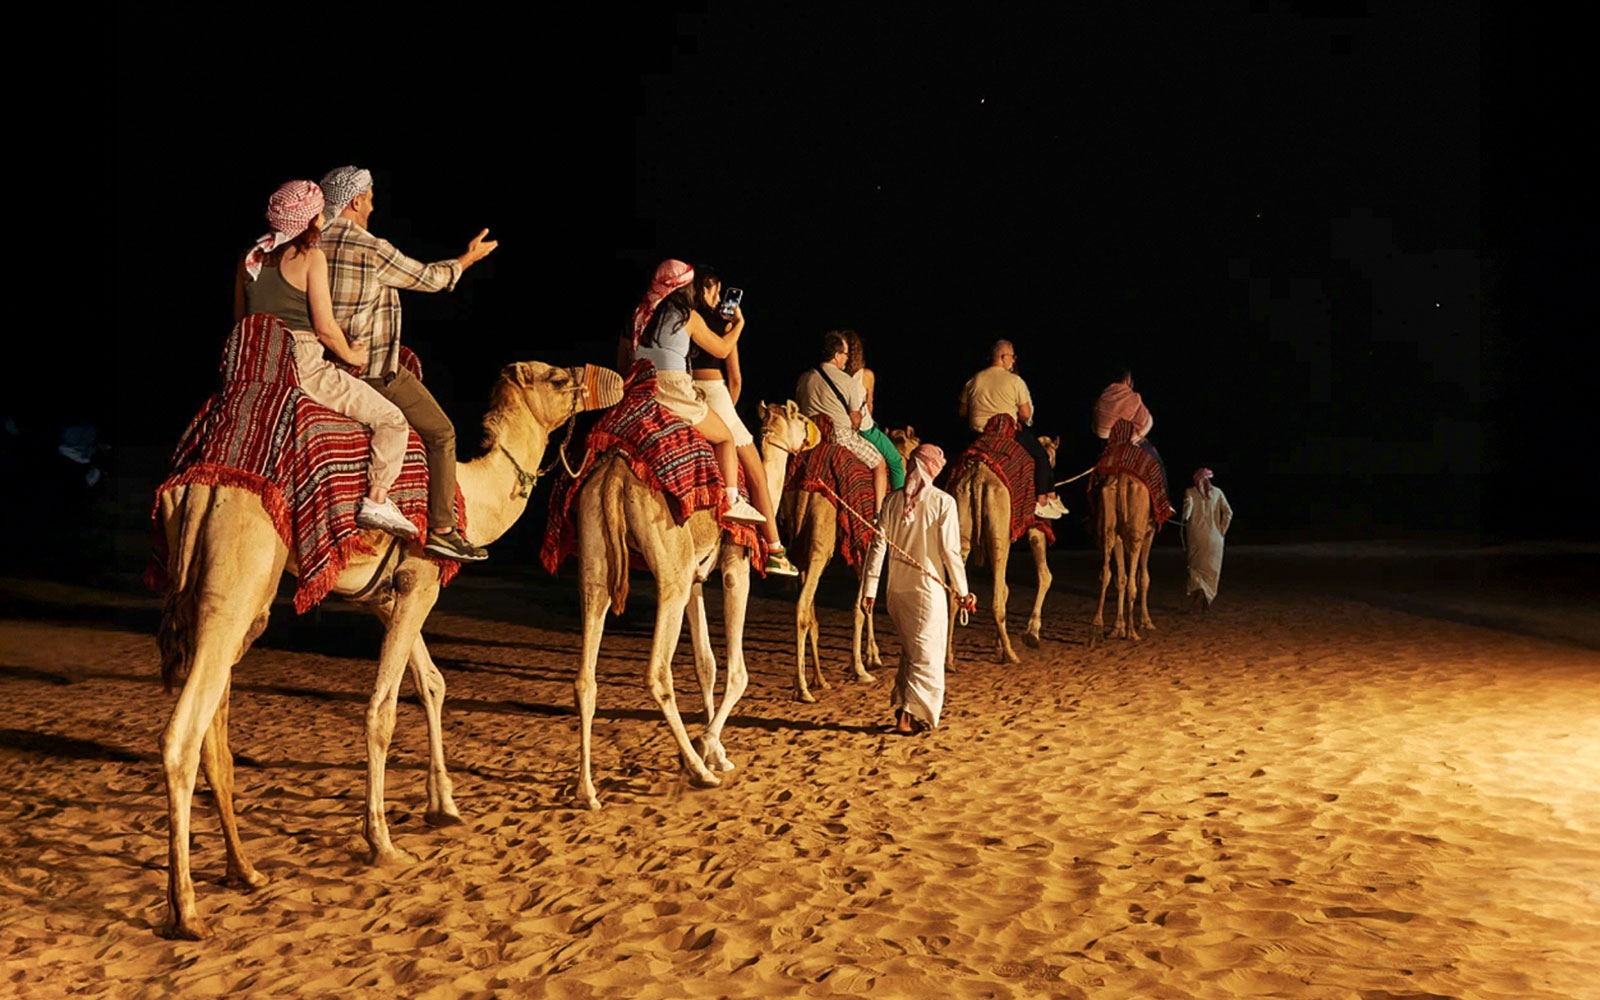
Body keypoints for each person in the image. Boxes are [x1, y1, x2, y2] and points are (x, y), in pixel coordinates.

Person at [316, 166, 498, 562]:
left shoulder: (311, 244)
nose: (373, 204)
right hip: (371, 370)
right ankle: (444, 530)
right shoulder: (369, 246)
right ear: (356, 200)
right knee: (442, 432)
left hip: (320, 367)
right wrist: (466, 259)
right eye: (370, 196)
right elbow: (429, 278)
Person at [233, 179, 416, 538]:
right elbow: (326, 328)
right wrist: (352, 353)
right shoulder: (310, 257)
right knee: (392, 420)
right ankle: (377, 500)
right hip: (301, 363)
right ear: (311, 220)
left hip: (252, 365)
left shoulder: (248, 259)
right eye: (320, 215)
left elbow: (242, 323)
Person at [631, 260, 766, 525]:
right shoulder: (687, 316)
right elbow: (722, 350)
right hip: (672, 387)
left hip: (641, 386)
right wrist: (739, 324)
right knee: (725, 437)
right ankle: (732, 500)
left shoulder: (641, 313)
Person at [687, 268, 799, 574]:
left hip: (687, 392)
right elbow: (734, 380)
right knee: (756, 470)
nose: (718, 297)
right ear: (708, 291)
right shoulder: (724, 325)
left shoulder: (681, 320)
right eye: (715, 291)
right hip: (716, 395)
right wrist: (729, 416)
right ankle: (775, 549)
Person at [860, 444, 977, 735]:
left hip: (895, 592)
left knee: (912, 654)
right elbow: (951, 551)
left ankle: (904, 710)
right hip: (928, 592)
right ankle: (908, 718)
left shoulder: (890, 502)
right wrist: (963, 592)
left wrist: (870, 588)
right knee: (928, 657)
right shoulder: (943, 502)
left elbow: (877, 547)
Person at [958, 340, 1064, 519]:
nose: (1013, 361)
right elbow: (1025, 413)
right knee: (1041, 456)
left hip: (978, 435)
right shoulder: (1015, 381)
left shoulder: (973, 381)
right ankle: (1042, 500)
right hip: (1006, 433)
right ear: (1003, 357)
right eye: (1012, 357)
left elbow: (962, 411)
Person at [794, 331, 890, 511]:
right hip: (839, 436)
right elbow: (855, 419)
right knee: (880, 463)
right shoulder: (847, 381)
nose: (847, 359)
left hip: (809, 437)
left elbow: (800, 407)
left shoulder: (804, 378)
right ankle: (879, 516)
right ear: (836, 355)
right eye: (845, 354)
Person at [841, 330, 906, 490]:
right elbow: (869, 407)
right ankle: (899, 505)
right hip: (863, 428)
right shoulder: (866, 375)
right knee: (896, 462)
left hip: (840, 427)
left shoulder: (834, 376)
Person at [1092, 367, 1167, 493]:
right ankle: (1163, 504)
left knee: (1094, 478)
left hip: (1107, 445)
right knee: (1157, 464)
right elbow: (1146, 422)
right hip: (1130, 444)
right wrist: (1132, 437)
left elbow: (1097, 428)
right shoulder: (1133, 397)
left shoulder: (1101, 398)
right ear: (1127, 379)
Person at [1182, 467, 1233, 612]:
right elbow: (1228, 513)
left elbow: (1185, 516)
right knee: (1211, 572)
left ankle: (1195, 604)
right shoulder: (1217, 493)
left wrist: (1188, 504)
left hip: (1196, 537)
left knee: (1195, 570)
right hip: (1215, 539)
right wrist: (1221, 531)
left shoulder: (1190, 492)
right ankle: (1205, 602)